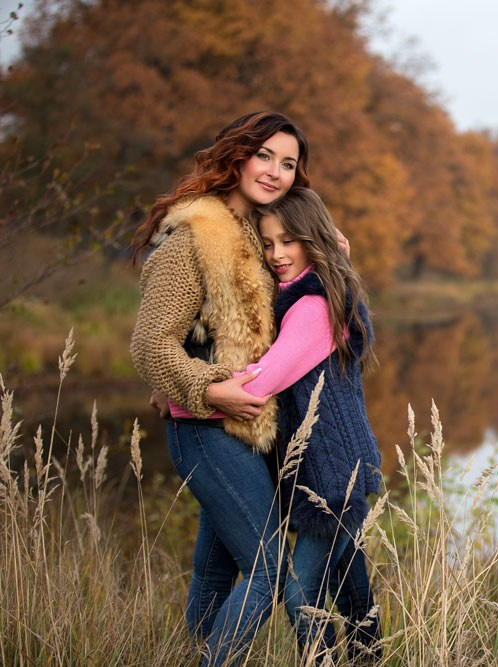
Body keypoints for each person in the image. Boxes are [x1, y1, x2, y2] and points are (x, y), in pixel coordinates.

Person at [130, 111, 307, 666]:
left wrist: (331, 253)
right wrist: (209, 389)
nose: (275, 171)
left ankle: (192, 655)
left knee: (215, 569)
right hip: (206, 428)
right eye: (265, 156)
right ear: (237, 156)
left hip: (247, 429)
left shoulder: (262, 236)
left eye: (288, 164)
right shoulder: (195, 236)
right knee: (268, 568)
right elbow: (151, 343)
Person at [240, 186, 382, 663]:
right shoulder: (316, 291)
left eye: (289, 241)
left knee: (301, 594)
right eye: (267, 243)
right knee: (351, 587)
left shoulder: (311, 306)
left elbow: (260, 383)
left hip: (331, 477)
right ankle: (369, 658)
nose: (277, 254)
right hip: (332, 469)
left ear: (312, 239)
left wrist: (186, 392)